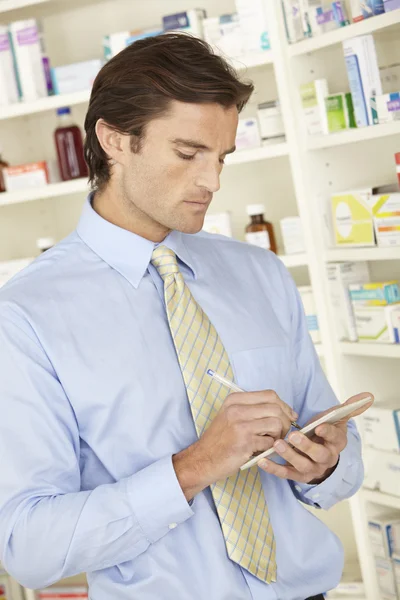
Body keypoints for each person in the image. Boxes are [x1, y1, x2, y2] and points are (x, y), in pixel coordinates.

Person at [0, 33, 372, 600]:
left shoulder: (260, 275)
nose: (212, 181)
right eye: (187, 153)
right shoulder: (26, 316)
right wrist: (193, 466)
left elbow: (342, 465)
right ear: (114, 140)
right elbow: (29, 548)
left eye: (221, 157)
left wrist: (322, 464)